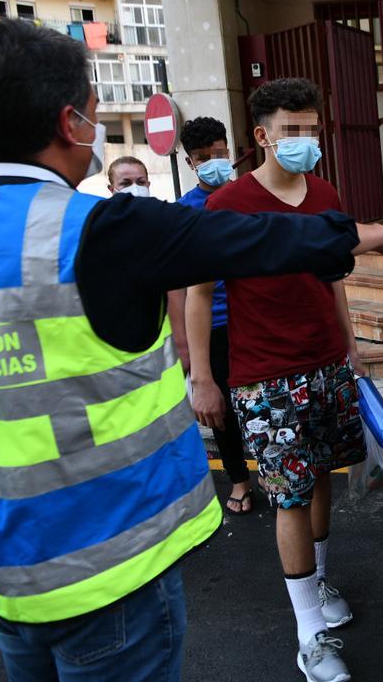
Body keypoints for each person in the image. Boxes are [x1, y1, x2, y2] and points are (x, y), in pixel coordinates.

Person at [0, 18, 383, 682]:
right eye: (91, 109)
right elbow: (260, 239)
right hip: (106, 573)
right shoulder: (103, 229)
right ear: (71, 122)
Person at [186, 78, 367, 682]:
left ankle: (317, 582)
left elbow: (334, 277)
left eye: (312, 128)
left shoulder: (325, 193)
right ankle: (308, 634)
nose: (305, 140)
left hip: (328, 364)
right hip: (264, 377)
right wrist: (202, 377)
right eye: (292, 130)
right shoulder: (227, 205)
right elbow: (199, 290)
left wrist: (352, 346)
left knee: (320, 480)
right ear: (262, 136)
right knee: (288, 495)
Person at [165, 116, 253, 515]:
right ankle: (239, 479)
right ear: (189, 163)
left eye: (220, 155)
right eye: (204, 158)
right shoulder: (184, 213)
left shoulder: (249, 198)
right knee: (222, 412)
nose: (215, 163)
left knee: (259, 402)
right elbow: (178, 286)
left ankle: (270, 470)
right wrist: (186, 348)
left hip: (253, 320)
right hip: (213, 328)